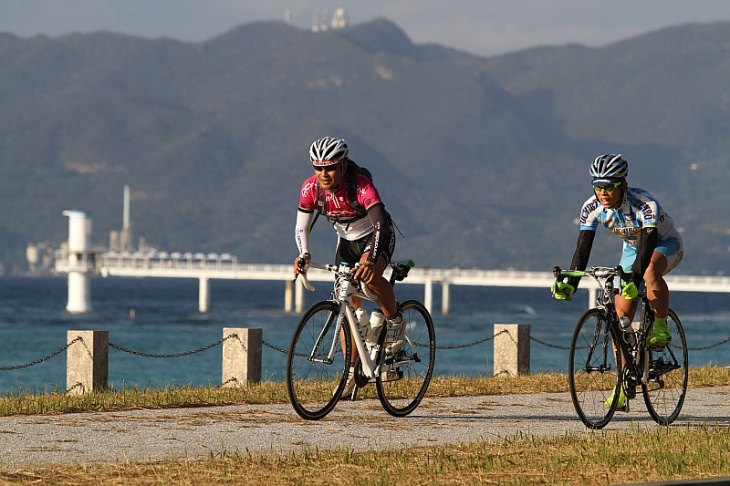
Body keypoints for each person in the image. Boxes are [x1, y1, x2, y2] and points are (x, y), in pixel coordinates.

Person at [552, 154, 684, 409]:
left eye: (609, 186)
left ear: (623, 185)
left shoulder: (646, 205)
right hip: (633, 249)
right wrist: (571, 281)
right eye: (598, 186)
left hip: (664, 245)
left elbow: (647, 248)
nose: (603, 192)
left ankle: (659, 324)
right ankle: (624, 383)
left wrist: (634, 277)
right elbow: (583, 249)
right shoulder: (591, 208)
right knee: (619, 322)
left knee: (648, 273)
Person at [293, 136, 403, 398]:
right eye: (318, 168)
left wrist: (372, 260)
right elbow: (301, 227)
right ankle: (352, 371)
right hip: (346, 242)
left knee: (370, 279)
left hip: (376, 238)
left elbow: (381, 227)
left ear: (343, 165)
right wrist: (304, 254)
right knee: (346, 301)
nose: (323, 174)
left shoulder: (360, 186)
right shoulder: (310, 189)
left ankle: (395, 320)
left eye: (329, 167)